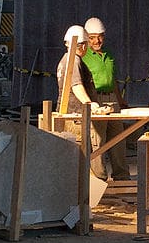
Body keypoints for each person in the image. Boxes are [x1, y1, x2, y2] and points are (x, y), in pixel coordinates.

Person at [81, 16, 131, 181]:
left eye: (100, 36)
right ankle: (99, 179)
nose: (97, 40)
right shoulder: (83, 56)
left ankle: (122, 177)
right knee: (98, 141)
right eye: (93, 37)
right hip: (96, 99)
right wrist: (89, 103)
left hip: (112, 100)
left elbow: (113, 79)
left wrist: (120, 100)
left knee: (118, 139)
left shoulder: (109, 54)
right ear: (86, 38)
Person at [55, 25, 102, 164]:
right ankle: (79, 185)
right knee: (77, 157)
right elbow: (76, 86)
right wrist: (90, 104)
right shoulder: (73, 61)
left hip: (72, 115)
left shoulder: (68, 59)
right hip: (74, 116)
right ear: (81, 45)